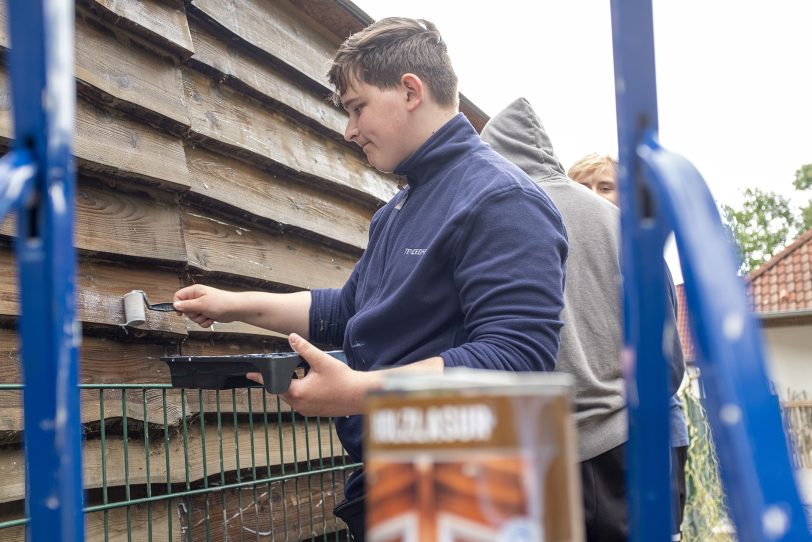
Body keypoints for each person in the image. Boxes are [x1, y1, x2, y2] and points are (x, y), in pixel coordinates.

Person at [172, 19, 568, 541]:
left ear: (409, 90)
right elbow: (346, 311)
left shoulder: (501, 199)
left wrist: (362, 393)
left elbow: (519, 361)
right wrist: (232, 304)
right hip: (394, 472)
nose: (349, 130)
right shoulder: (399, 207)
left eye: (357, 107)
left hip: (469, 485)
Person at [481, 98, 686, 542]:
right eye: (592, 184)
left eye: (609, 185)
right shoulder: (618, 230)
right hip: (614, 445)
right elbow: (668, 362)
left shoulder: (493, 220)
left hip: (565, 449)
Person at [569, 149, 690, 540]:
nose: (592, 194)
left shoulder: (642, 258)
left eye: (605, 187)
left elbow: (668, 364)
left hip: (650, 427)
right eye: (582, 186)